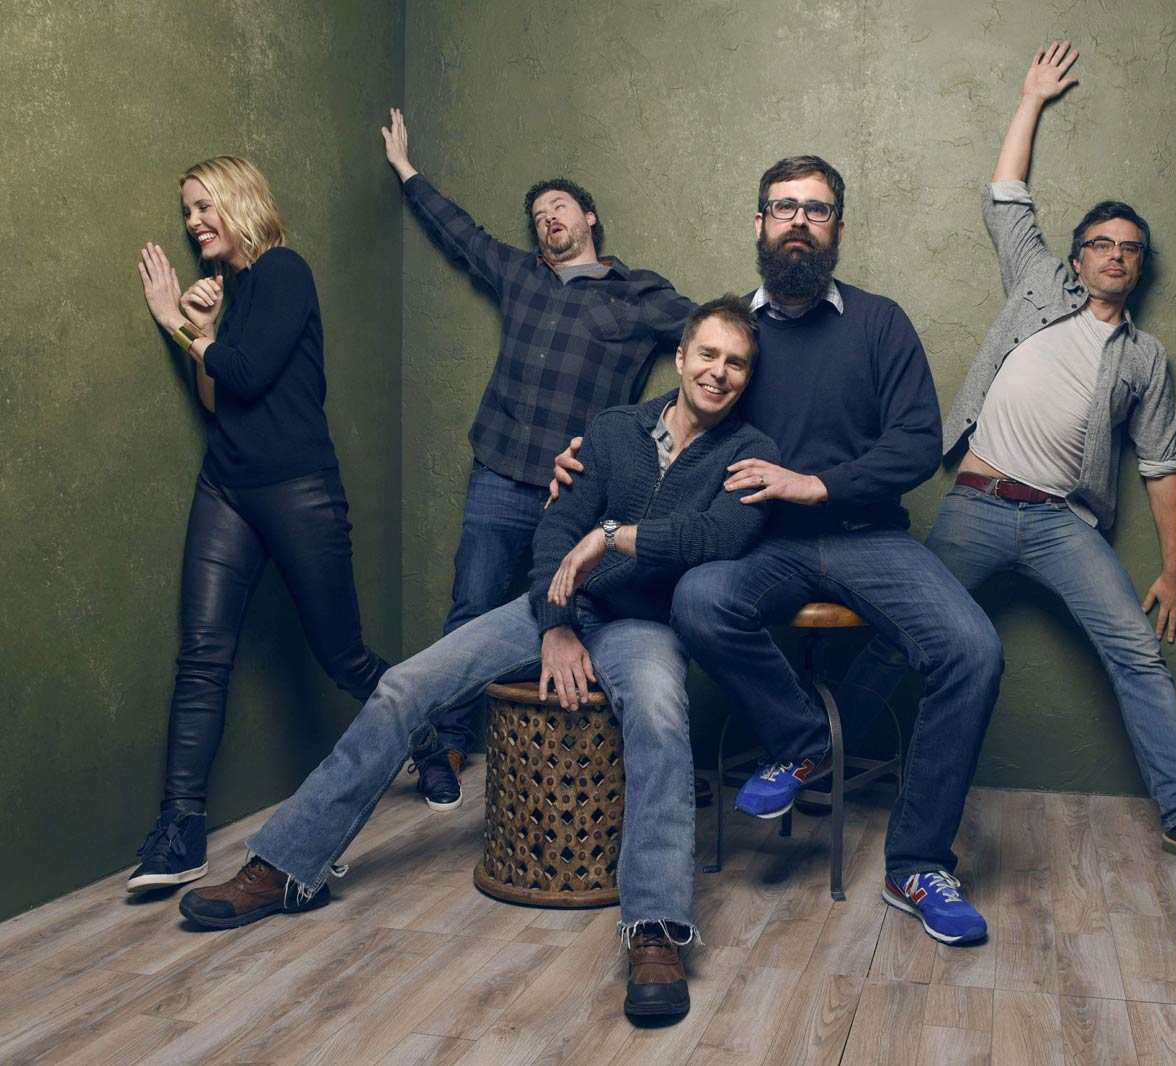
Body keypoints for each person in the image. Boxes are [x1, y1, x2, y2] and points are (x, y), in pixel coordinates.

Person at [179, 296, 776, 1027]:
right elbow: (557, 526)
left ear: (747, 377)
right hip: (561, 604)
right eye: (708, 354)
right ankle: (287, 866)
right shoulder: (613, 428)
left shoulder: (750, 454)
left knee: (658, 712)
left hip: (643, 625)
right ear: (681, 358)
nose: (719, 372)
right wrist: (556, 623)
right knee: (404, 684)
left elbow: (713, 539)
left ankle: (655, 927)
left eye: (736, 363)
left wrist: (611, 536)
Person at [555, 156, 1006, 946]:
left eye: (817, 209)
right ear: (760, 222)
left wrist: (817, 484)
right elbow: (674, 405)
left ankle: (916, 865)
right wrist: (585, 453)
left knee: (973, 650)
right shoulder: (738, 335)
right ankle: (802, 741)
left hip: (866, 537)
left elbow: (916, 445)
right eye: (784, 206)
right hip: (761, 544)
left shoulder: (880, 323)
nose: (800, 220)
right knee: (699, 599)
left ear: (838, 228)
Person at [842, 42, 1176, 884]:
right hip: (976, 502)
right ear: (1077, 258)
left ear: (1139, 266)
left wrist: (1175, 568)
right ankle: (819, 758)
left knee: (1137, 652)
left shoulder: (1145, 358)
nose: (1115, 255)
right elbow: (1006, 197)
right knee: (898, 633)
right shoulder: (1036, 283)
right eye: (1101, 243)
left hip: (1062, 525)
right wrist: (1031, 97)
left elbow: (1162, 464)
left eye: (1130, 248)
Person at [381, 109, 696, 811]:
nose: (548, 219)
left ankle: (578, 767)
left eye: (559, 207)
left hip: (577, 490)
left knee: (578, 611)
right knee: (472, 607)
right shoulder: (520, 276)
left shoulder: (639, 294)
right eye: (538, 216)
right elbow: (460, 234)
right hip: (498, 470)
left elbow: (712, 343)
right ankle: (447, 746)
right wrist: (406, 171)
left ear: (590, 217)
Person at [128, 156, 389, 893]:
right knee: (202, 654)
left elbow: (246, 373)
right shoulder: (234, 294)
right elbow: (218, 396)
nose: (192, 222)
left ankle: (429, 738)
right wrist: (203, 330)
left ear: (239, 200)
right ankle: (180, 831)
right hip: (227, 487)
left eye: (202, 205)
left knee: (344, 659)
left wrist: (175, 323)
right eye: (186, 210)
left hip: (298, 490)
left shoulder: (284, 272)